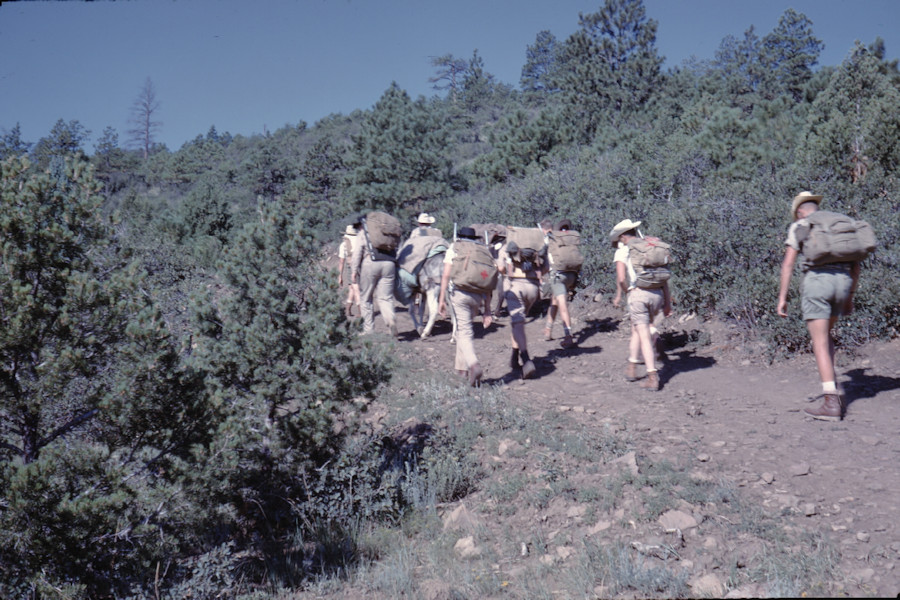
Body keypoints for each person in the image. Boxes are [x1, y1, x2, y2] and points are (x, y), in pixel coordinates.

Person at [776, 191, 861, 421]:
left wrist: (782, 297)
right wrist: (850, 295)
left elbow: (788, 265)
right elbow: (855, 265)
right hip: (842, 283)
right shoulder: (837, 223)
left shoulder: (801, 226)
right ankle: (831, 387)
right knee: (827, 336)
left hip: (817, 283)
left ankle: (831, 402)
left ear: (800, 211)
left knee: (819, 341)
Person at [610, 219, 672, 391]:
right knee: (636, 328)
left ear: (623, 236)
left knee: (643, 334)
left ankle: (652, 376)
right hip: (657, 294)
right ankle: (631, 367)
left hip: (638, 294)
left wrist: (627, 291)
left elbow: (621, 278)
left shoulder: (624, 251)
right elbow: (664, 278)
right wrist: (667, 302)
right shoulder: (650, 246)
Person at [438, 227, 493, 386]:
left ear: (459, 237)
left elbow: (446, 275)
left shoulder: (454, 248)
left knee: (463, 332)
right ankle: (461, 372)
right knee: (464, 330)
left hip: (459, 294)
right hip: (478, 296)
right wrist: (487, 310)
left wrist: (441, 300)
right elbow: (488, 281)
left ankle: (473, 365)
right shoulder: (483, 251)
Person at [500, 227, 547, 379]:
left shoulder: (506, 246)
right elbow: (546, 267)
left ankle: (526, 358)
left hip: (515, 287)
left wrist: (505, 272)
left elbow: (501, 268)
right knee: (517, 323)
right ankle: (514, 358)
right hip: (532, 288)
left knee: (518, 324)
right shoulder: (536, 247)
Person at [351, 217, 399, 337]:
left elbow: (357, 253)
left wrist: (353, 270)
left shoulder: (364, 233)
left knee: (366, 298)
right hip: (389, 264)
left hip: (370, 263)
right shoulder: (387, 234)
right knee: (385, 298)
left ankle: (368, 330)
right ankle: (390, 320)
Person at [542, 218, 578, 348]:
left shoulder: (551, 239)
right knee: (554, 300)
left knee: (562, 304)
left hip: (558, 276)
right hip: (571, 275)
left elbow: (543, 255)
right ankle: (548, 329)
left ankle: (568, 336)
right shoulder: (571, 239)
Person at [337, 223, 362, 318]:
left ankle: (361, 311)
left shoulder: (344, 244)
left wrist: (340, 276)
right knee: (352, 287)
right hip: (361, 265)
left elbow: (341, 261)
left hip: (351, 266)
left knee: (355, 287)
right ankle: (348, 309)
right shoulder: (360, 241)